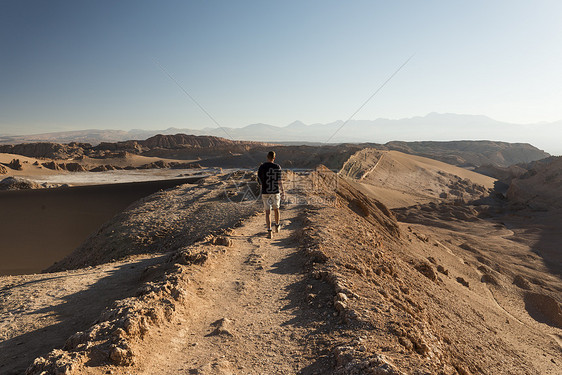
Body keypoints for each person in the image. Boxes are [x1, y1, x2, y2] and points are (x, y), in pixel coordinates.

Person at [257, 151, 285, 238]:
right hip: (275, 191)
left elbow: (259, 181)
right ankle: (277, 226)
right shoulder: (277, 167)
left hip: (265, 191)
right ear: (274, 158)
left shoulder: (261, 167)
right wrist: (282, 191)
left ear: (267, 157)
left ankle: (269, 231)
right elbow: (279, 181)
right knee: (276, 209)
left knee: (267, 212)